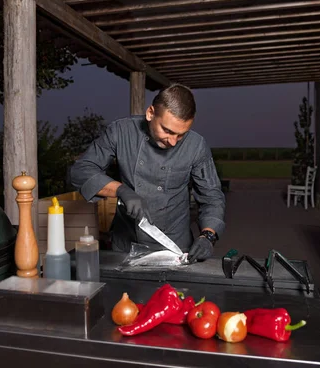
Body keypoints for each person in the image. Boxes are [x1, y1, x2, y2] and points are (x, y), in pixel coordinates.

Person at [69, 84, 226, 263]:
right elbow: (81, 171)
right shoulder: (121, 132)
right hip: (125, 245)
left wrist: (208, 235)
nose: (173, 142)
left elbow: (212, 196)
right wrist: (121, 190)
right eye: (167, 131)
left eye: (181, 135)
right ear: (150, 113)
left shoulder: (196, 146)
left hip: (175, 247)